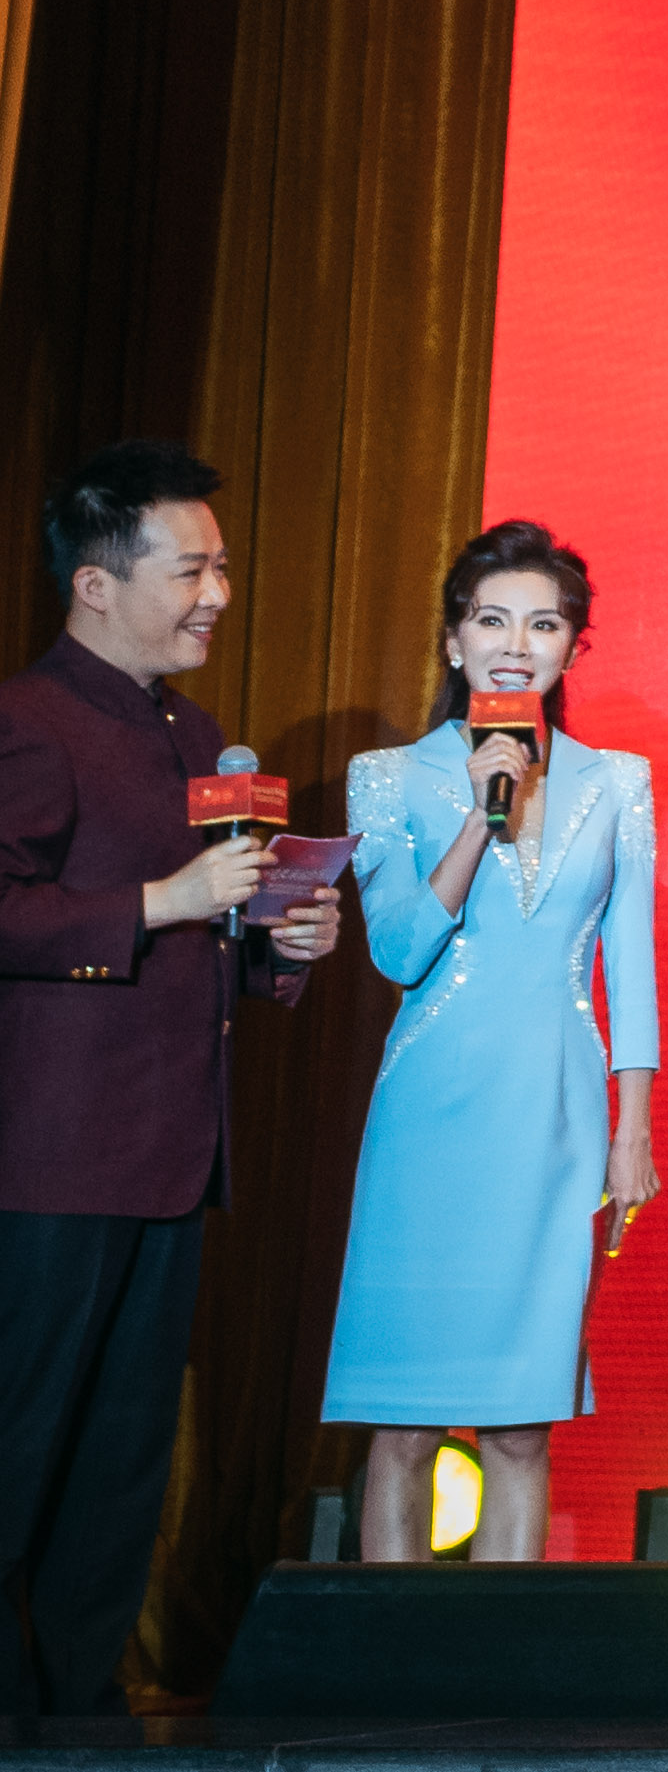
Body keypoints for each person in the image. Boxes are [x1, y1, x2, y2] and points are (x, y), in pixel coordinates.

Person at [0, 443, 337, 1711]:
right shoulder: (27, 720)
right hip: (51, 1161)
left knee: (121, 1463)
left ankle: (78, 1707)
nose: (218, 593)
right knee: (20, 1442)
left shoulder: (196, 735)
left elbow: (206, 936)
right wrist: (163, 897)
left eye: (223, 567)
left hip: (171, 1154)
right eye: (191, 568)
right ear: (95, 583)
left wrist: (281, 942)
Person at [325, 520, 662, 1565]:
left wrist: (633, 1132)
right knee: (407, 1424)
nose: (517, 644)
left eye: (544, 624)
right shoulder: (388, 775)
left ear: (572, 646)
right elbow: (398, 949)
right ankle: (388, 1649)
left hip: (557, 1115)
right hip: (431, 1113)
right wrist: (479, 816)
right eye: (493, 620)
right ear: (453, 639)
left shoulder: (618, 781)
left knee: (521, 1424)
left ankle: (494, 1654)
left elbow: (631, 966)